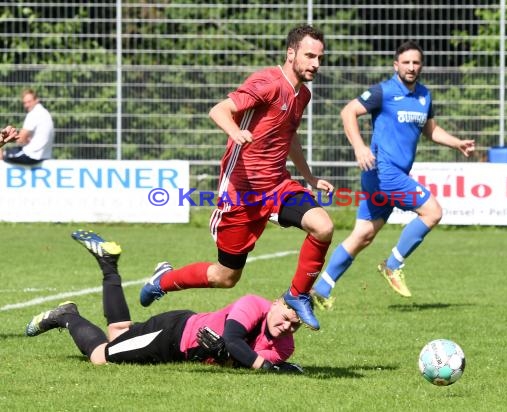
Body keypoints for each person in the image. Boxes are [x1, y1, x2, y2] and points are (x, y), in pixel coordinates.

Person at [139, 25, 334, 331]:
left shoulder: (302, 94)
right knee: (225, 277)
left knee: (323, 227)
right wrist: (236, 132)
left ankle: (297, 295)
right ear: (291, 53)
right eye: (310, 56)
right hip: (241, 191)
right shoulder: (267, 82)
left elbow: (289, 136)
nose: (316, 64)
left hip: (277, 186)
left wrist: (308, 176)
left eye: (320, 58)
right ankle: (163, 279)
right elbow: (219, 110)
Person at [311, 40, 475, 306]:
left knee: (362, 235)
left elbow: (430, 130)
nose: (411, 67)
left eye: (416, 62)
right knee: (433, 211)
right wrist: (360, 147)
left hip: (384, 176)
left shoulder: (424, 96)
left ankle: (322, 288)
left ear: (421, 66)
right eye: (406, 62)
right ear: (396, 65)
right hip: (384, 174)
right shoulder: (383, 92)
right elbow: (348, 111)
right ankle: (392, 264)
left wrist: (456, 142)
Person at [25, 230, 304, 373]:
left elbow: (245, 361)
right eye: (287, 317)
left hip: (176, 344)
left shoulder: (284, 345)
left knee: (120, 333)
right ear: (277, 302)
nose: (286, 327)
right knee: (101, 356)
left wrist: (256, 363)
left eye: (295, 326)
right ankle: (66, 315)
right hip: (171, 334)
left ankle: (108, 263)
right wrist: (266, 367)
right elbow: (233, 342)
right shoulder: (255, 304)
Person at [1, 88, 54, 164]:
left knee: (1, 152)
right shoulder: (44, 112)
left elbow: (20, 140)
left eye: (29, 102)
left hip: (32, 155)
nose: (26, 105)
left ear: (36, 100)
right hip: (44, 155)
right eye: (24, 103)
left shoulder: (34, 113)